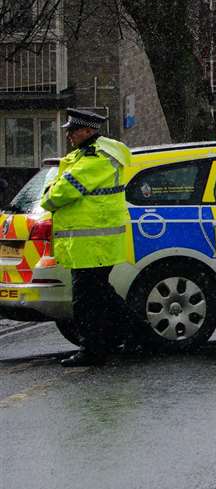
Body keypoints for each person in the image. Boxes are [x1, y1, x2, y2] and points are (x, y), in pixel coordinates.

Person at [40, 108, 134, 367]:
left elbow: (62, 192)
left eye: (73, 130)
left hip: (95, 242)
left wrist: (49, 194)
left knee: (87, 300)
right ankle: (133, 333)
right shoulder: (88, 154)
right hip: (91, 242)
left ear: (88, 131)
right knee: (100, 294)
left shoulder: (97, 158)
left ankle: (93, 351)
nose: (69, 135)